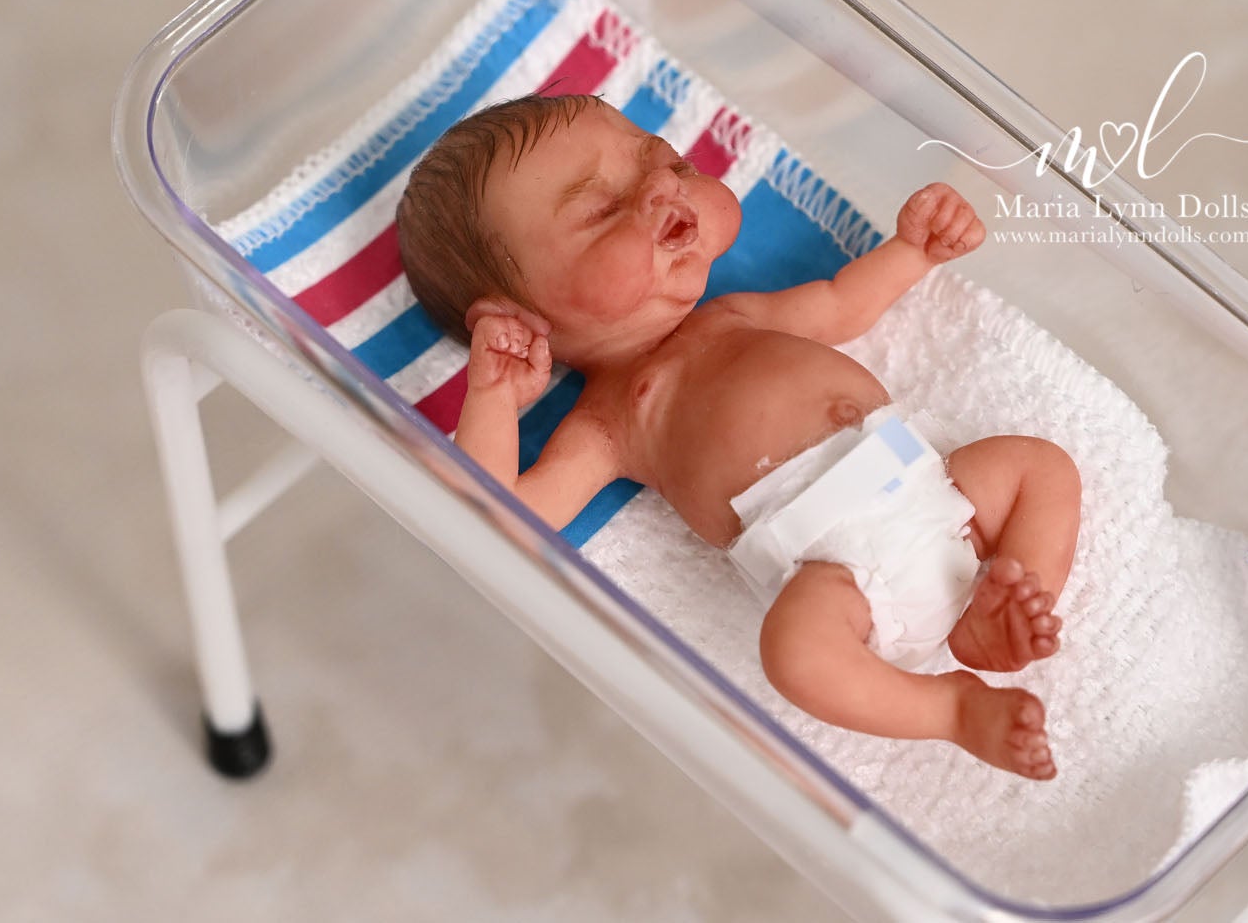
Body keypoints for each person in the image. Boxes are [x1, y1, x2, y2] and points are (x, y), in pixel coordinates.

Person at [396, 94, 1082, 778]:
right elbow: (500, 517)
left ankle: (1005, 607)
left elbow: (841, 303)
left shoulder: (734, 315)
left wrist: (912, 252)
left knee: (1040, 468)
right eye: (603, 209)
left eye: (671, 162)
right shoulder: (608, 423)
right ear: (519, 316)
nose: (663, 187)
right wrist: (493, 398)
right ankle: (951, 710)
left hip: (939, 491)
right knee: (795, 656)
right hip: (835, 571)